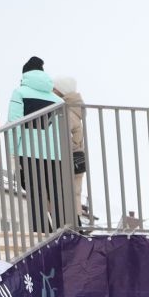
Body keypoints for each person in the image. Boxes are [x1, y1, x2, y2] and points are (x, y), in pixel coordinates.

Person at [7, 56, 61, 232]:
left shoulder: (20, 92)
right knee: (56, 194)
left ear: (25, 75)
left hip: (29, 152)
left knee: (35, 194)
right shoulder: (58, 100)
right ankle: (63, 231)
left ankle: (42, 232)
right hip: (55, 154)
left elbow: (14, 123)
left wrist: (13, 151)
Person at [52, 74, 87, 225]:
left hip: (68, 159)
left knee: (65, 196)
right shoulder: (75, 109)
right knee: (74, 195)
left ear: (61, 91)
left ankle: (73, 229)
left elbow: (67, 136)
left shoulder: (65, 111)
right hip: (77, 158)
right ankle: (75, 227)